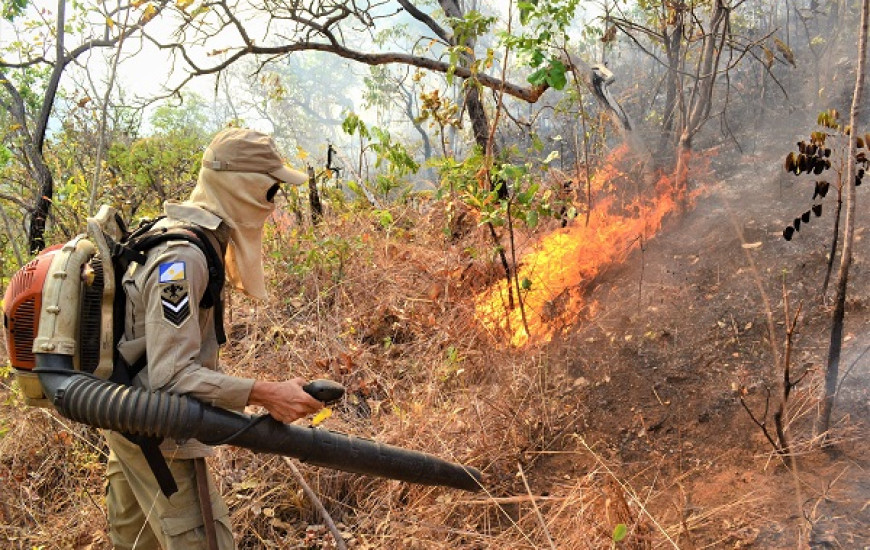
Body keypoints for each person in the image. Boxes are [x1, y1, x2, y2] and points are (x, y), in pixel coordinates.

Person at [104, 128, 324, 550]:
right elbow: (169, 376)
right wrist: (264, 393)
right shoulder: (183, 260)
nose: (272, 203)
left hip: (128, 426)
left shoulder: (181, 233)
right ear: (242, 186)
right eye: (271, 189)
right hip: (158, 438)